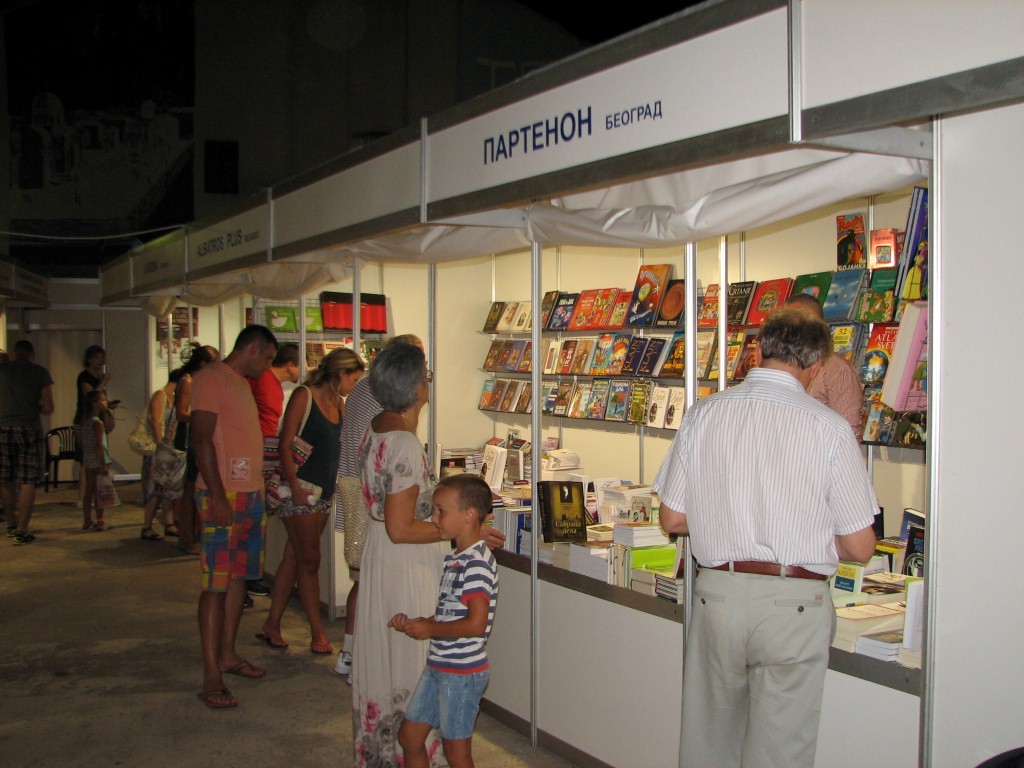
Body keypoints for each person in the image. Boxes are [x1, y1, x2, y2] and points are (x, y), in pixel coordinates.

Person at [652, 309, 879, 768]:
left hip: (718, 595)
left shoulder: (704, 413)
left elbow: (673, 519)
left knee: (708, 742)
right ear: (816, 366)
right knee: (780, 752)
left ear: (757, 351)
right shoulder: (830, 428)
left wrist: (725, 519)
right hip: (794, 606)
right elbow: (860, 547)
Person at [351, 341, 505, 766]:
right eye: (427, 377)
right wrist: (463, 531)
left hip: (383, 555)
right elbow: (402, 527)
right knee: (414, 659)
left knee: (389, 660)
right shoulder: (402, 441)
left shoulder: (377, 426)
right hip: (406, 562)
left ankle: (396, 750)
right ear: (417, 388)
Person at [191, 325, 277, 709]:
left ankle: (227, 653)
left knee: (240, 576)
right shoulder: (211, 378)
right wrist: (215, 494)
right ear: (253, 349)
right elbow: (201, 438)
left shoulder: (240, 382)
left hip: (249, 493)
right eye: (268, 358)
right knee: (215, 583)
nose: (268, 366)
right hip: (223, 494)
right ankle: (211, 673)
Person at [259, 348, 365, 653]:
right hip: (300, 491)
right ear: (340, 374)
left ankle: (272, 624)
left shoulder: (339, 403)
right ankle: (318, 632)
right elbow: (285, 443)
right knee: (310, 561)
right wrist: (294, 485)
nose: (354, 386)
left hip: (322, 492)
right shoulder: (304, 396)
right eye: (353, 379)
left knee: (295, 557)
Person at [391, 474, 499, 768]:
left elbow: (476, 624)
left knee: (457, 752)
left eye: (441, 511)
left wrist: (430, 628)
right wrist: (421, 622)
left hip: (461, 673)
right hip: (439, 665)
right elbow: (453, 614)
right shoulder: (456, 558)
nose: (434, 518)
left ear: (469, 515)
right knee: (409, 738)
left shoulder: (476, 564)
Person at [334, 333, 422, 679]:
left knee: (363, 581)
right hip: (374, 501)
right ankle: (355, 654)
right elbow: (400, 523)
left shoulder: (365, 392)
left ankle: (352, 652)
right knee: (368, 584)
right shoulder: (394, 426)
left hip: (364, 493)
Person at [246, 341, 301, 597]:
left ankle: (251, 575)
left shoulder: (272, 384)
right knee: (254, 517)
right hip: (261, 451)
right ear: (290, 365)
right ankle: (247, 577)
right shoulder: (263, 380)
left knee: (259, 517)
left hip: (265, 450)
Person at [784, 292, 864, 439]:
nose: (797, 331)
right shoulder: (777, 363)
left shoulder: (837, 370)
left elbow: (848, 434)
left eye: (806, 323)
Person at [0, 340, 54, 545]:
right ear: (32, 353)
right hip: (29, 428)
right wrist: (35, 406)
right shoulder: (39, 372)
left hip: (3, 427)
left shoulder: (3, 371)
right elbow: (48, 407)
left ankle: (10, 523)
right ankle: (22, 530)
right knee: (27, 481)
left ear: (15, 352)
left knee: (6, 478)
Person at [174, 343, 220, 555]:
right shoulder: (189, 381)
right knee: (190, 489)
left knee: (193, 488)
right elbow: (181, 413)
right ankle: (188, 537)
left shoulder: (198, 381)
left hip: (196, 437)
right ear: (203, 364)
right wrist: (204, 416)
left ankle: (190, 536)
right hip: (189, 440)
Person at [140, 370, 184, 541]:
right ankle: (147, 526)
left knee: (165, 490)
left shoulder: (172, 397)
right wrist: (161, 444)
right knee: (157, 489)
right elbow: (155, 420)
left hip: (168, 448)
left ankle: (169, 523)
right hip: (162, 449)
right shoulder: (161, 395)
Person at [74, 345, 114, 508]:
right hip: (85, 420)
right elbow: (91, 397)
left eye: (102, 357)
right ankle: (82, 497)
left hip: (98, 419)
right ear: (89, 359)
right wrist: (104, 381)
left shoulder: (98, 376)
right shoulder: (85, 376)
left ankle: (94, 497)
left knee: (96, 457)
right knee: (86, 460)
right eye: (97, 357)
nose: (100, 360)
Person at [79, 390, 114, 531]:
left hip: (88, 458)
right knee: (100, 491)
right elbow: (99, 445)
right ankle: (100, 521)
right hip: (97, 460)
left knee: (89, 490)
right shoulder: (97, 423)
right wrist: (103, 463)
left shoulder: (86, 420)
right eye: (103, 400)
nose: (106, 402)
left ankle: (87, 520)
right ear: (95, 403)